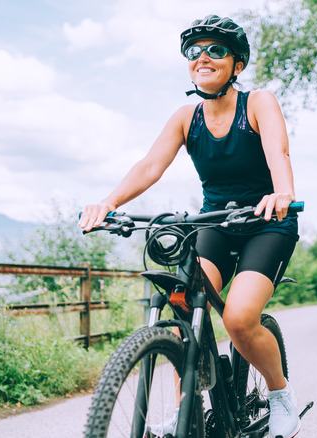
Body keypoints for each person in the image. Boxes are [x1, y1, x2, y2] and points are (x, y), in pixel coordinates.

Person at [78, 14, 301, 438]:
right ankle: (189, 407)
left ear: (237, 65)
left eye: (216, 50)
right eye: (194, 51)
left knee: (237, 319)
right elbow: (149, 166)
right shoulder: (186, 116)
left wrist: (282, 193)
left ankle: (279, 394)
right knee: (184, 306)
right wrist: (108, 202)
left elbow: (279, 152)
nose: (203, 57)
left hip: (266, 223)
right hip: (215, 222)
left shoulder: (259, 103)